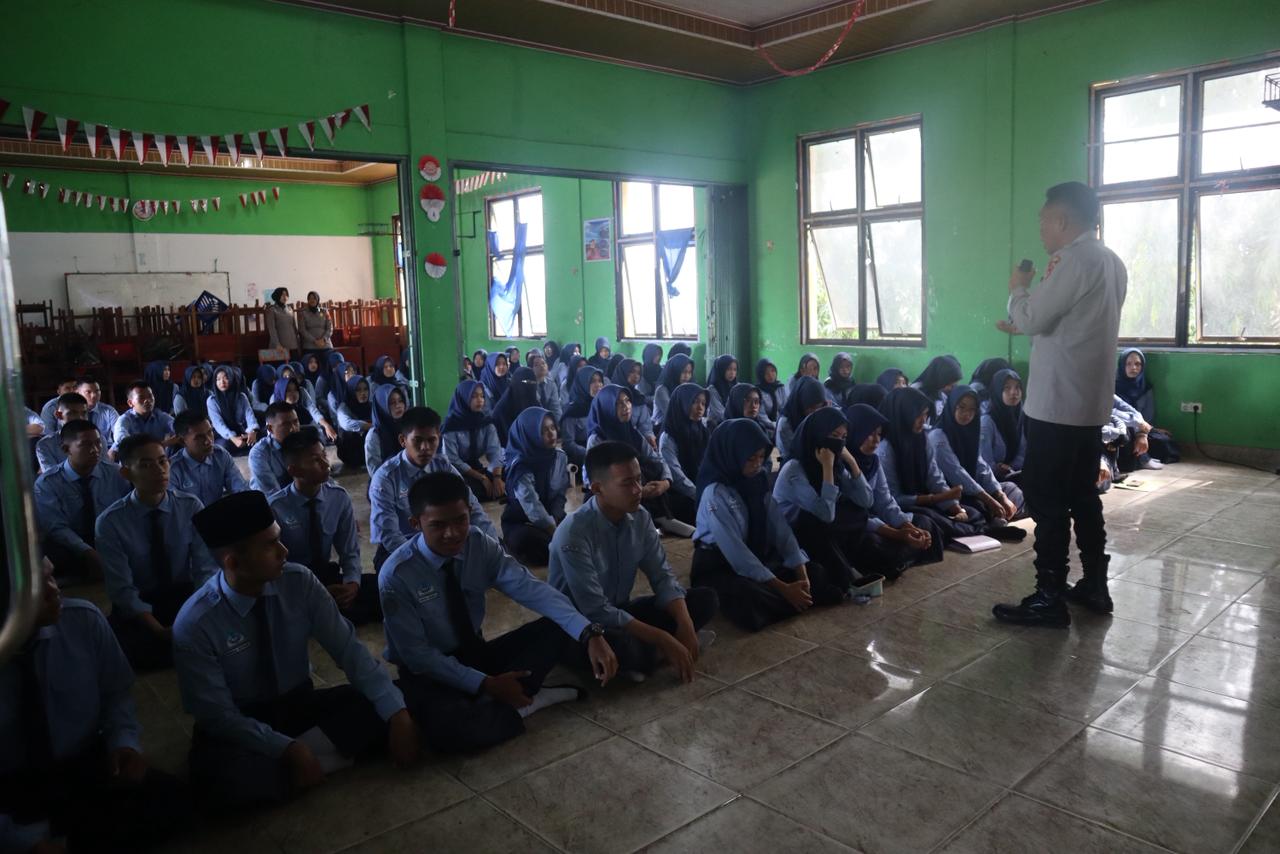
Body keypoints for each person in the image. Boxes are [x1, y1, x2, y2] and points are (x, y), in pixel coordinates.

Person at [174, 491, 419, 807]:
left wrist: (397, 715)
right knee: (222, 783)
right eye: (270, 545)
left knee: (397, 700)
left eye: (279, 539)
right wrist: (290, 749)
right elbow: (217, 715)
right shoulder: (196, 623)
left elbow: (349, 651)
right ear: (233, 562)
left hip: (298, 704)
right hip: (242, 722)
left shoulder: (299, 581)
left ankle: (295, 769)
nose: (284, 551)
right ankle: (318, 757)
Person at [380, 472, 616, 752]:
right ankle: (523, 702)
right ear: (415, 523)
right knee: (449, 733)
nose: (453, 533)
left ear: (470, 512)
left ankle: (507, 701)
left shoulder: (478, 544)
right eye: (438, 525)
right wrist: (485, 684)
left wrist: (590, 632)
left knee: (561, 624)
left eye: (460, 520)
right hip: (429, 672)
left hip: (475, 652)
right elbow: (417, 656)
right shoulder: (397, 575)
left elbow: (529, 588)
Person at [994, 181, 1127, 628]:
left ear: (1063, 221)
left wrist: (1018, 291)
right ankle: (1094, 584)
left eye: (1043, 221)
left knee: (1047, 501)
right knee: (1083, 496)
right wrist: (1030, 323)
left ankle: (1048, 595)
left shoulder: (1071, 260)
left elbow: (1033, 315)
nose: (1041, 229)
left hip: (1055, 407)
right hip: (1089, 406)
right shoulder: (1111, 261)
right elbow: (1073, 325)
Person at [0, 562, 191, 852]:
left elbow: (116, 694)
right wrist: (20, 841)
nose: (55, 591)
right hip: (12, 783)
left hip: (81, 761)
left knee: (174, 803)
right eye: (38, 588)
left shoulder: (82, 621)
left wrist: (123, 742)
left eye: (52, 577)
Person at [549, 441, 718, 680]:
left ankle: (649, 657)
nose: (638, 489)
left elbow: (662, 576)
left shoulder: (640, 518)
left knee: (704, 600)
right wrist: (663, 637)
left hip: (621, 611)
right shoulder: (574, 533)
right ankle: (648, 656)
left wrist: (685, 624)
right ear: (597, 488)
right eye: (627, 483)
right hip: (583, 627)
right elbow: (595, 609)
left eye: (639, 479)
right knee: (622, 647)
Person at [691, 419, 843, 632]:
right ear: (732, 455)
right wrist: (784, 589)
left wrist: (802, 575)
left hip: (757, 555)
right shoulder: (715, 493)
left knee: (815, 571)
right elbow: (737, 555)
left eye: (761, 457)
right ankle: (798, 601)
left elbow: (781, 531)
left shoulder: (757, 482)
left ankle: (793, 601)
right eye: (750, 458)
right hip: (718, 565)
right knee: (748, 596)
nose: (757, 464)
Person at [96, 434, 216, 671]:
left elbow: (205, 569)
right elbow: (122, 588)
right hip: (142, 602)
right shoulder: (110, 522)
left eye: (163, 461)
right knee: (130, 658)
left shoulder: (190, 506)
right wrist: (159, 630)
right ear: (126, 473)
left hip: (185, 597)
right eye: (146, 465)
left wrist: (194, 615)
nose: (159, 470)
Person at [270, 430, 380, 625]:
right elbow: (274, 566)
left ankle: (323, 612)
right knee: (276, 609)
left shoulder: (338, 497)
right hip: (293, 581)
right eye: (315, 460)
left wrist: (351, 583)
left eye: (324, 455)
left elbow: (349, 550)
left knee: (383, 588)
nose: (326, 464)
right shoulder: (276, 508)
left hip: (325, 573)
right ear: (294, 470)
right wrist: (311, 591)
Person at [369, 406, 497, 570]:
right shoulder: (386, 478)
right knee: (394, 573)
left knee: (483, 552)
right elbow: (389, 535)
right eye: (418, 440)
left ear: (439, 438)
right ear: (403, 440)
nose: (425, 447)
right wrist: (428, 562)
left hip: (443, 538)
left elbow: (472, 506)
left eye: (431, 440)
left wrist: (493, 544)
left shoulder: (443, 466)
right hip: (404, 546)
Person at [772, 408, 883, 594]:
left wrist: (851, 461)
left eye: (843, 437)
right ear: (817, 435)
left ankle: (849, 568)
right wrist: (827, 467)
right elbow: (826, 514)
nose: (838, 443)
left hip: (821, 528)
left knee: (858, 514)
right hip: (791, 535)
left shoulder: (836, 462)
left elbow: (866, 501)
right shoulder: (794, 469)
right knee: (815, 521)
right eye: (833, 436)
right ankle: (848, 575)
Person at [878, 387, 986, 545]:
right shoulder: (885, 449)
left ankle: (960, 532)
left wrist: (954, 507)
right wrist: (937, 498)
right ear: (903, 415)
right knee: (926, 522)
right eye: (918, 415)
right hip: (904, 507)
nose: (923, 420)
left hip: (926, 501)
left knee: (972, 512)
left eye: (926, 414)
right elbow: (893, 498)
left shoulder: (921, 438)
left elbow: (934, 478)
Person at [586, 385, 692, 538]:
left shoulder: (632, 431)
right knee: (628, 472)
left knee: (651, 467)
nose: (626, 407)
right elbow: (591, 478)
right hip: (615, 491)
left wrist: (666, 482)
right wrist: (640, 490)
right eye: (618, 403)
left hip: (640, 488)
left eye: (627, 401)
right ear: (606, 407)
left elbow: (656, 458)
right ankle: (655, 520)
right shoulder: (597, 439)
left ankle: (663, 518)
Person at [34, 420, 131, 582]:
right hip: (71, 545)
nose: (95, 450)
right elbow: (56, 527)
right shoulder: (48, 483)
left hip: (109, 540)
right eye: (86, 445)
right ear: (66, 449)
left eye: (98, 443)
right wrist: (87, 551)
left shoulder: (115, 474)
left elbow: (127, 512)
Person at [929, 386, 1027, 529]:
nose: (966, 414)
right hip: (949, 493)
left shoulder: (968, 431)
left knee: (1008, 489)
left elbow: (980, 466)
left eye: (972, 410)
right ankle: (994, 523)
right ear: (951, 406)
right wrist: (989, 499)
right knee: (977, 507)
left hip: (972, 489)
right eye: (961, 407)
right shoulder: (937, 436)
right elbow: (957, 473)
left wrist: (1000, 495)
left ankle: (1007, 514)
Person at [501, 408, 569, 566]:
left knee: (577, 532)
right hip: (520, 521)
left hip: (552, 516)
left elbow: (560, 494)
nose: (551, 433)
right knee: (528, 542)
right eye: (544, 430)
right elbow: (532, 506)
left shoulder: (559, 457)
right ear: (529, 434)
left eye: (552, 427)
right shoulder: (521, 466)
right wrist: (554, 530)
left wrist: (558, 518)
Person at [169, 411, 250, 508]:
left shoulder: (220, 455)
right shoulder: (173, 469)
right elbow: (174, 511)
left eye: (210, 432)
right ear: (182, 441)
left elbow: (240, 488)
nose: (208, 441)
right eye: (199, 437)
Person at [443, 380, 506, 502]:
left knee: (511, 475)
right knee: (457, 488)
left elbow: (495, 451)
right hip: (455, 472)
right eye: (474, 396)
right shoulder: (451, 426)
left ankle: (488, 491)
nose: (480, 400)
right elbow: (452, 460)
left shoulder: (485, 422)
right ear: (463, 398)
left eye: (482, 396)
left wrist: (497, 477)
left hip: (477, 467)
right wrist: (482, 478)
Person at [1115, 348, 1179, 465]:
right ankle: (1143, 460)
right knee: (1125, 439)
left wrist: (1151, 429)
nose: (1133, 368)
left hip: (1143, 429)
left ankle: (1142, 456)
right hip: (1122, 426)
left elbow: (1148, 416)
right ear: (1121, 365)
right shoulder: (1113, 387)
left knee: (1164, 440)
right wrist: (1137, 429)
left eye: (1137, 364)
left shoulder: (1146, 387)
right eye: (1128, 364)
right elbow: (1115, 414)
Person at [658, 383, 709, 526]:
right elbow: (676, 476)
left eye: (703, 403)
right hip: (681, 495)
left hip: (701, 489)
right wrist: (698, 493)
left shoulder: (703, 431)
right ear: (682, 403)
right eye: (694, 402)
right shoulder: (669, 437)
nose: (700, 408)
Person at [979, 368, 1028, 486]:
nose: (1013, 392)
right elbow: (984, 462)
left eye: (1017, 387)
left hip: (1015, 473)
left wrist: (1011, 467)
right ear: (997, 390)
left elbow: (1023, 452)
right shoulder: (987, 422)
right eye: (1007, 387)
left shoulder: (1023, 416)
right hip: (991, 480)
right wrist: (997, 468)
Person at [111, 381, 178, 458]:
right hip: (135, 462)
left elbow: (180, 428)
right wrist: (163, 444)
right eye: (141, 397)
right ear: (130, 403)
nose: (147, 400)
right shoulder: (124, 420)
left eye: (150, 396)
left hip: (156, 460)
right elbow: (124, 442)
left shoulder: (160, 415)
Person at [248, 402, 302, 494]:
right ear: (270, 428)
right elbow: (272, 494)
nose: (293, 429)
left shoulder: (304, 444)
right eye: (286, 424)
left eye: (295, 422)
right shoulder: (259, 453)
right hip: (270, 503)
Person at [560, 365, 604, 470]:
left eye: (599, 381)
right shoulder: (572, 411)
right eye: (592, 381)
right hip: (583, 459)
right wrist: (591, 453)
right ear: (583, 384)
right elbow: (568, 444)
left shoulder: (602, 405)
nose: (598, 385)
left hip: (604, 452)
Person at [776, 375, 828, 462]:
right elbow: (793, 455)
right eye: (811, 407)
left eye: (819, 407)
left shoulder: (821, 415)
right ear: (801, 404)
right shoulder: (786, 424)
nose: (815, 412)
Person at [208, 366, 258, 454]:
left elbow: (250, 416)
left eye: (226, 378)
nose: (222, 382)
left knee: (260, 437)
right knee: (223, 446)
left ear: (232, 379)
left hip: (241, 431)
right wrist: (233, 438)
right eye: (218, 379)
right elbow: (218, 424)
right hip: (223, 435)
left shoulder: (241, 397)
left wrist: (252, 432)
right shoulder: (212, 400)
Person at [35, 392, 87, 473]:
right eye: (73, 413)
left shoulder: (98, 440)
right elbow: (53, 477)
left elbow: (104, 472)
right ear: (58, 415)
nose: (80, 418)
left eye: (84, 413)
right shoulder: (45, 445)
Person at [274, 375, 337, 441]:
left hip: (303, 425)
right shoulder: (275, 406)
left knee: (317, 433)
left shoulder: (301, 391)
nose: (293, 393)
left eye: (295, 389)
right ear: (281, 392)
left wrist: (326, 426)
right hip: (285, 433)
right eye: (288, 391)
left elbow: (313, 409)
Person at [610, 358, 657, 446]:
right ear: (623, 372)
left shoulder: (638, 397)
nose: (636, 376)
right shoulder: (608, 396)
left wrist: (649, 436)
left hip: (632, 442)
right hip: (610, 443)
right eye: (632, 371)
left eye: (639, 373)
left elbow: (645, 424)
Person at [365, 383, 409, 474]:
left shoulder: (409, 426)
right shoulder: (374, 435)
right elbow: (375, 471)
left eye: (400, 401)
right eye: (392, 403)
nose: (398, 405)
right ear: (382, 406)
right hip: (386, 482)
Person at [491, 366, 540, 447]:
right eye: (526, 382)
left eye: (532, 382)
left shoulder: (535, 402)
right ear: (516, 382)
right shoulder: (502, 410)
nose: (529, 386)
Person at [911, 355, 963, 426]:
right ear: (941, 379)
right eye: (950, 384)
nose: (951, 388)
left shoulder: (940, 394)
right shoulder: (914, 392)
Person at [335, 375, 373, 468]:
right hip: (350, 450)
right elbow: (347, 424)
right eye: (358, 390)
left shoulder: (371, 405)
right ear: (351, 391)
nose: (363, 393)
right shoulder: (343, 407)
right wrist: (370, 426)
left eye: (365, 389)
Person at [653, 353, 694, 428]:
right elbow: (673, 414)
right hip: (662, 428)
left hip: (683, 426)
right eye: (684, 372)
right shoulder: (661, 390)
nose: (687, 376)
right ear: (675, 371)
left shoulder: (687, 388)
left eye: (689, 372)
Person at [76, 376, 119, 442]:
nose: (94, 395)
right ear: (78, 393)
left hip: (107, 449)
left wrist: (113, 450)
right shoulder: (73, 411)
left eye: (97, 391)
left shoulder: (109, 411)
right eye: (88, 392)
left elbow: (120, 433)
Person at [704, 354, 739, 428]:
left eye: (734, 369)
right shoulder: (712, 390)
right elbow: (720, 414)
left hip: (735, 423)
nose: (732, 373)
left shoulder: (738, 387)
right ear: (721, 369)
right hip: (718, 426)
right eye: (728, 369)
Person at [265, 287, 300, 355]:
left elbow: (294, 327)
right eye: (282, 295)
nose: (285, 297)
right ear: (277, 296)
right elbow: (272, 329)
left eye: (286, 295)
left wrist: (298, 342)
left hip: (293, 345)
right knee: (282, 365)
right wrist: (277, 344)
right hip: (280, 347)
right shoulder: (272, 310)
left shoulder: (290, 309)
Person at [755, 358, 787, 428]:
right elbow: (762, 416)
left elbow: (785, 408)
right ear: (761, 374)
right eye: (766, 373)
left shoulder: (780, 387)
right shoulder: (757, 391)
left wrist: (784, 423)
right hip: (764, 427)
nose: (770, 375)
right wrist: (776, 426)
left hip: (780, 425)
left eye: (773, 371)